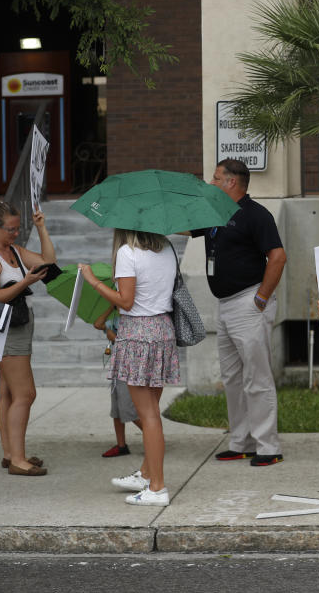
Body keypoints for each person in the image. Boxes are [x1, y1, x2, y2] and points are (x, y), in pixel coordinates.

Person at [192, 159, 287, 467]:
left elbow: (278, 257)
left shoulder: (256, 215)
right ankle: (241, 441)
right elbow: (184, 226)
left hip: (249, 303)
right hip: (225, 304)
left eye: (215, 177)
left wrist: (261, 299)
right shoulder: (213, 212)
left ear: (231, 182)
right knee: (233, 377)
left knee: (257, 378)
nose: (211, 181)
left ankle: (268, 446)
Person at [80, 229, 179, 506]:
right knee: (151, 415)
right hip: (162, 328)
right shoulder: (167, 248)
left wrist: (92, 281)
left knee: (147, 416)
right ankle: (147, 475)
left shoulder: (127, 253)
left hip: (137, 332)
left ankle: (157, 488)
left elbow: (126, 301)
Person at [0, 201, 56, 476]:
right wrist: (25, 283)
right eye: (10, 229)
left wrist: (41, 228)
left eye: (18, 228)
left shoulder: (14, 251)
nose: (15, 233)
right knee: (26, 394)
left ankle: (9, 454)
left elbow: (48, 263)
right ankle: (18, 459)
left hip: (19, 326)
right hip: (7, 330)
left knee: (8, 392)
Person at [94, 305, 143, 457]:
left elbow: (134, 348)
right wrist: (110, 307)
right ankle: (121, 445)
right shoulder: (115, 320)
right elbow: (97, 324)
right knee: (116, 410)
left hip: (130, 369)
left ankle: (154, 437)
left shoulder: (136, 321)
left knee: (129, 409)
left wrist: (113, 338)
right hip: (117, 368)